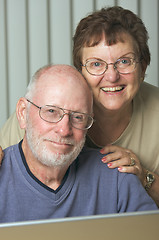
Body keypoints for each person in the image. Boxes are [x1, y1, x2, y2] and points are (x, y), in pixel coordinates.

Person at [0, 6, 159, 206]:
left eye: (124, 61)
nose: (111, 76)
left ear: (143, 67)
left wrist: (144, 177)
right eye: (96, 64)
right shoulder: (39, 113)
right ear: (80, 72)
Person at [0, 64, 157, 223]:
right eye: (52, 111)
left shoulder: (116, 177)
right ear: (22, 113)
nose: (64, 130)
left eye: (78, 117)